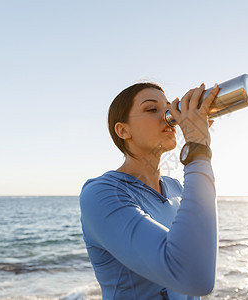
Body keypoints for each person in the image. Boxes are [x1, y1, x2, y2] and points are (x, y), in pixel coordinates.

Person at [79, 81, 220, 299]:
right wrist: (197, 149)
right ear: (123, 130)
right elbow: (193, 277)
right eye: (152, 109)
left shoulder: (176, 188)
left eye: (168, 107)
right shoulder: (101, 194)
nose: (168, 116)